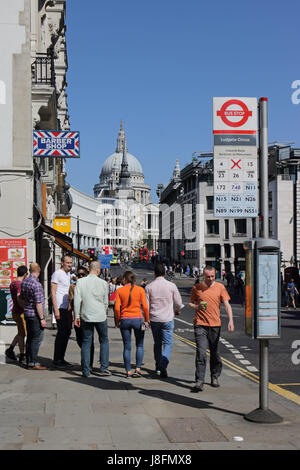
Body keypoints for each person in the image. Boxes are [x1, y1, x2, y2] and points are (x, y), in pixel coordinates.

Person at [189, 265, 234, 392]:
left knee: (215, 353)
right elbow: (190, 303)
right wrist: (196, 307)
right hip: (200, 324)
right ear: (204, 276)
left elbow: (227, 305)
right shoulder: (197, 288)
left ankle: (214, 376)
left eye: (212, 276)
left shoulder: (220, 287)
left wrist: (231, 320)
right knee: (201, 353)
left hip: (215, 325)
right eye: (208, 276)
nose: (210, 279)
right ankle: (199, 380)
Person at [145, 263, 182, 378]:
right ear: (165, 273)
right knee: (168, 343)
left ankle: (158, 366)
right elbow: (179, 303)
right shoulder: (171, 286)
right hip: (167, 318)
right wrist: (177, 310)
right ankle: (163, 364)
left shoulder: (149, 287)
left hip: (154, 319)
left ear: (154, 273)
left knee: (157, 343)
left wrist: (146, 319)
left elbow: (146, 306)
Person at [74, 261, 110, 378]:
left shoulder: (80, 281)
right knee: (104, 340)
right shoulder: (103, 283)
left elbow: (77, 300)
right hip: (100, 315)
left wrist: (77, 316)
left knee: (86, 342)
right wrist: (103, 312)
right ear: (98, 270)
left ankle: (86, 370)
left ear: (89, 269)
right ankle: (103, 367)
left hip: (86, 315)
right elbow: (106, 302)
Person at [114, 271, 149, 378]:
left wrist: (117, 321)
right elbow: (145, 307)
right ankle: (137, 368)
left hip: (125, 319)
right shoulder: (140, 290)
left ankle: (128, 371)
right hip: (138, 319)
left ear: (125, 279)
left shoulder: (120, 290)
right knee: (140, 345)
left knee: (127, 346)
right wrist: (147, 320)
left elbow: (116, 308)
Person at [19, 263, 47, 370]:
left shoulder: (24, 281)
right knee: (35, 339)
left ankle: (29, 360)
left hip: (27, 313)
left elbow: (21, 298)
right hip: (35, 315)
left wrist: (26, 307)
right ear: (39, 270)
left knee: (30, 338)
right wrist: (42, 318)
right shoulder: (36, 284)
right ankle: (33, 362)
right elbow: (38, 303)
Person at [68, 266, 95, 370]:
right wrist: (69, 318)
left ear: (86, 275)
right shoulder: (72, 287)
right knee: (80, 341)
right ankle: (86, 361)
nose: (80, 277)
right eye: (78, 275)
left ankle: (89, 364)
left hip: (89, 317)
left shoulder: (91, 286)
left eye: (82, 275)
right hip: (78, 318)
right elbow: (70, 302)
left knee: (89, 341)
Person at [51, 254, 73, 368]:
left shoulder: (67, 274)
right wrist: (55, 309)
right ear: (62, 263)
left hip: (66, 307)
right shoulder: (57, 274)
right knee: (62, 333)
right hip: (59, 307)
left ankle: (61, 358)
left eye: (70, 262)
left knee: (67, 332)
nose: (70, 265)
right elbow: (53, 292)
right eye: (68, 262)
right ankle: (57, 359)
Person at [5, 265, 28, 363]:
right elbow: (19, 298)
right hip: (20, 312)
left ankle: (10, 349)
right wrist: (25, 308)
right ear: (26, 274)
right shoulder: (19, 284)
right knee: (22, 334)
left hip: (15, 311)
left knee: (20, 333)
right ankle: (22, 354)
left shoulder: (13, 283)